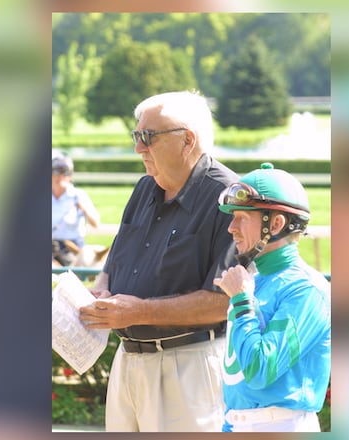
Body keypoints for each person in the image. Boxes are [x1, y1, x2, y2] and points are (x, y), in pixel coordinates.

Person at [78, 91, 238, 432]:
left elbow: (226, 302)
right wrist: (101, 292)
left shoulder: (228, 197)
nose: (138, 147)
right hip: (128, 362)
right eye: (137, 136)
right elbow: (114, 262)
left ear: (187, 140)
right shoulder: (144, 188)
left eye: (147, 137)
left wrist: (137, 312)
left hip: (189, 366)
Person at [212, 163, 331, 432]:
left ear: (275, 224)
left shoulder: (306, 290)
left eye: (242, 216)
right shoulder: (252, 282)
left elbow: (261, 370)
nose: (232, 227)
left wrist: (241, 300)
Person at [52, 151, 100, 266]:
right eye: (57, 172)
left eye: (66, 172)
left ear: (71, 176)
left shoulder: (78, 195)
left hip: (71, 247)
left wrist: (84, 209)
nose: (61, 176)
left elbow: (95, 223)